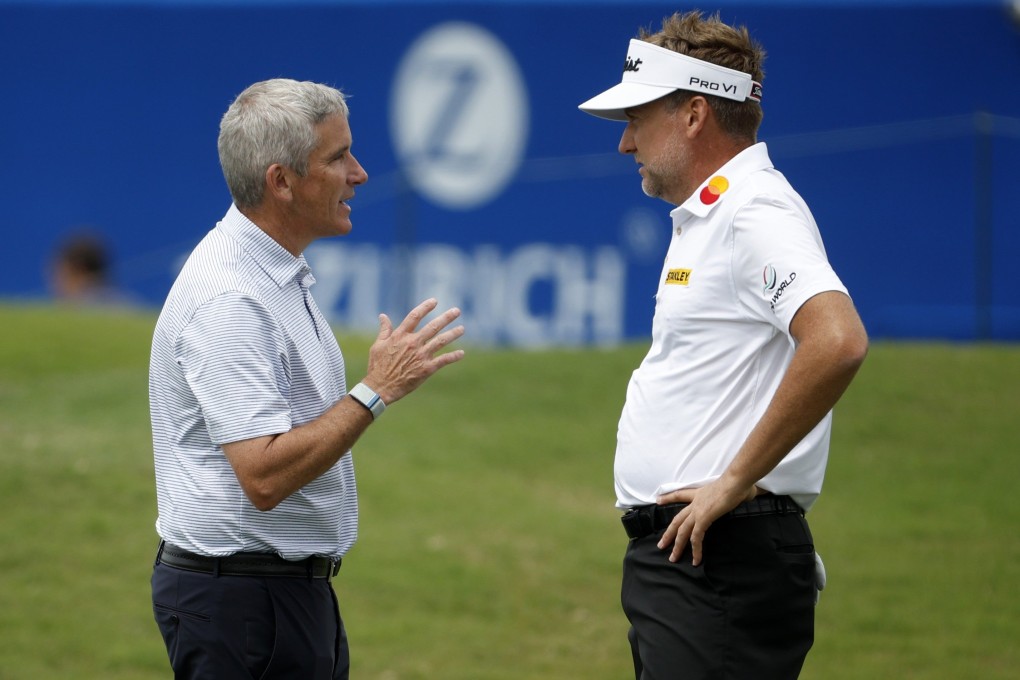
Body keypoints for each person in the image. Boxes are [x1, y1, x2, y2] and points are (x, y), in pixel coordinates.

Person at [578, 11, 869, 680]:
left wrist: (733, 484)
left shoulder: (751, 211)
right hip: (703, 559)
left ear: (693, 115)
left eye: (636, 119)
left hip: (722, 556)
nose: (625, 144)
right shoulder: (715, 215)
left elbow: (837, 338)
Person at [148, 78, 465, 679]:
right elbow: (263, 476)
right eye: (338, 157)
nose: (361, 174)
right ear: (281, 182)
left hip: (275, 595)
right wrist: (376, 391)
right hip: (242, 602)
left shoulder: (272, 273)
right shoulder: (230, 297)